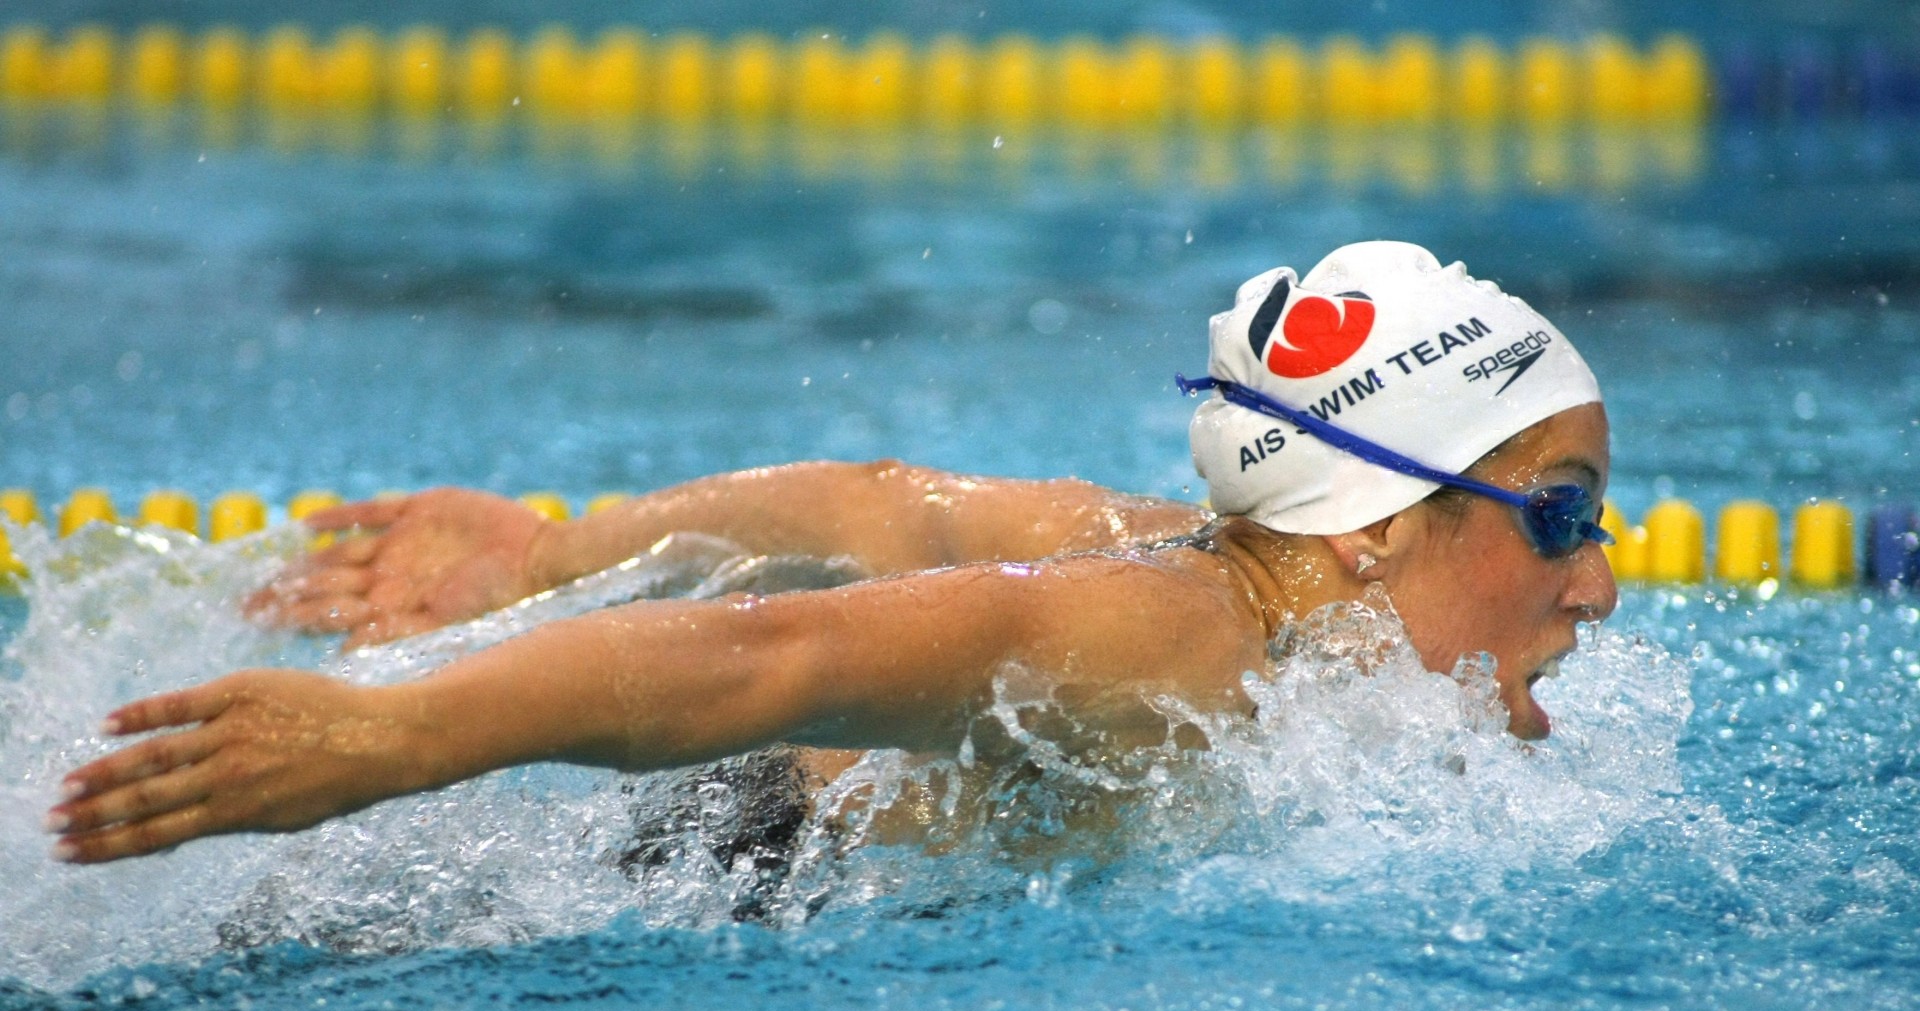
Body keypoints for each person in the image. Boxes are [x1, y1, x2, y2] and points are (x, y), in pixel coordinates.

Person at [44, 241, 1618, 865]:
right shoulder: (1172, 643)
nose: (1598, 581)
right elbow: (773, 653)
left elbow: (891, 507)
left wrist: (546, 552)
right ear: (1375, 529)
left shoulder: (1219, 573)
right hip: (725, 869)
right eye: (1561, 511)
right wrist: (384, 736)